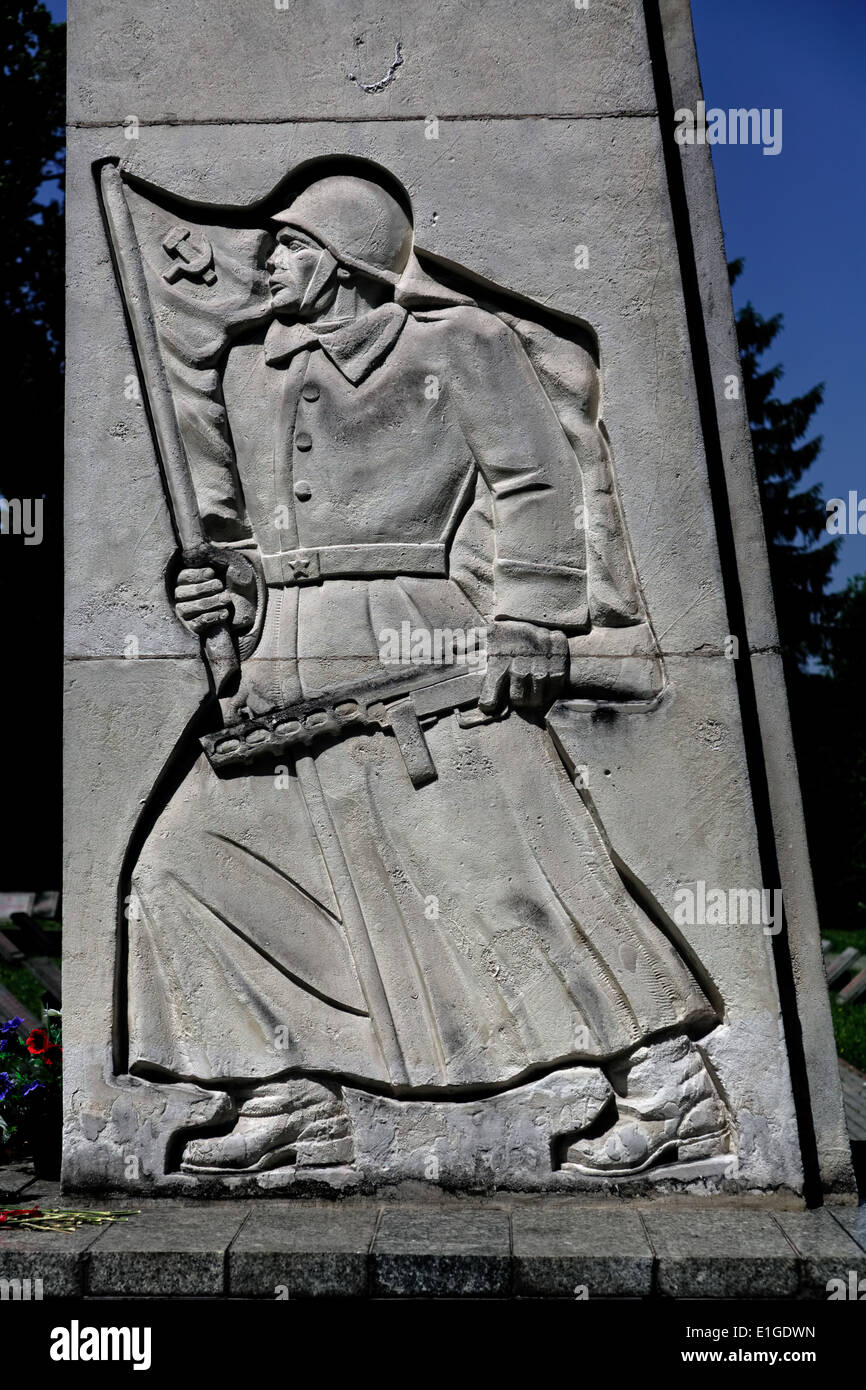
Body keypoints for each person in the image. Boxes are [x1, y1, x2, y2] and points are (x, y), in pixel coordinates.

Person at [126, 170, 728, 1176]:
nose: (265, 262)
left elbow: (537, 477)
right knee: (185, 866)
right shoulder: (250, 373)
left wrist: (528, 618)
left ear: (338, 257)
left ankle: (668, 1095)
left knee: (507, 876)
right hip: (287, 651)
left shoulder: (459, 346)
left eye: (284, 244)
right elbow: (250, 535)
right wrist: (225, 592)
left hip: (422, 636)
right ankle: (286, 1100)